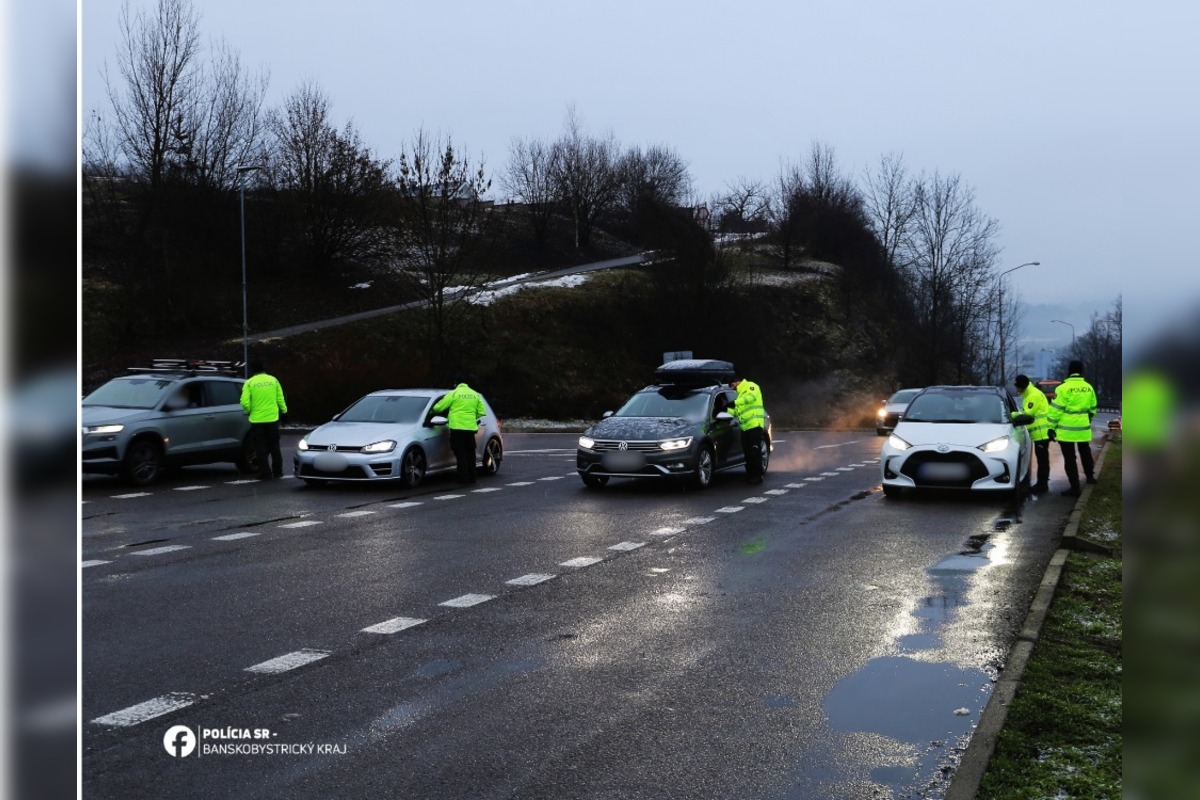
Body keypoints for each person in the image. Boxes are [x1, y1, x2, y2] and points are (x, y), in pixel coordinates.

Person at [1046, 359, 1098, 497]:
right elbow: (1093, 408)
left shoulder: (1062, 388)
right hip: (1083, 428)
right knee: (1085, 452)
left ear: (1069, 371)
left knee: (1070, 458)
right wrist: (1086, 419)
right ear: (1082, 371)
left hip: (1066, 430)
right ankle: (1090, 478)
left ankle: (1075, 487)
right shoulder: (1088, 387)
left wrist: (1051, 427)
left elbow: (1055, 410)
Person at [240, 357, 288, 479]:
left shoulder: (249, 383)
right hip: (272, 419)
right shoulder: (273, 380)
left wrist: (249, 411)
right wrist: (284, 412)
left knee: (260, 448)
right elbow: (280, 399)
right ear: (263, 368)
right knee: (275, 446)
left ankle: (265, 473)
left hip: (257, 421)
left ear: (253, 370)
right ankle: (278, 471)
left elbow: (245, 402)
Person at [433, 379, 487, 484]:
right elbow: (481, 411)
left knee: (460, 453)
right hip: (470, 429)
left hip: (457, 428)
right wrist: (472, 418)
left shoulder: (453, 393)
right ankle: (472, 477)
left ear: (456, 384)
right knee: (470, 453)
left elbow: (439, 407)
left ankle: (463, 478)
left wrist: (434, 410)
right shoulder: (475, 394)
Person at [1012, 374, 1050, 494]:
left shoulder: (1033, 395)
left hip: (1041, 433)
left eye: (1018, 387)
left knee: (1042, 460)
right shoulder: (1029, 394)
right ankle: (1042, 484)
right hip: (1038, 433)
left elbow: (1027, 414)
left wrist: (1011, 415)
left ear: (1023, 386)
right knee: (1042, 459)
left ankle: (1042, 485)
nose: (1017, 389)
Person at [728, 376, 767, 484]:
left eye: (732, 385)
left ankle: (758, 476)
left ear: (737, 382)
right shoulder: (740, 394)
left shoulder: (751, 386)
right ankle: (751, 475)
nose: (732, 388)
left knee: (755, 451)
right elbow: (737, 412)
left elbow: (751, 398)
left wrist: (734, 403)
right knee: (748, 452)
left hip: (754, 425)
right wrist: (726, 409)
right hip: (745, 428)